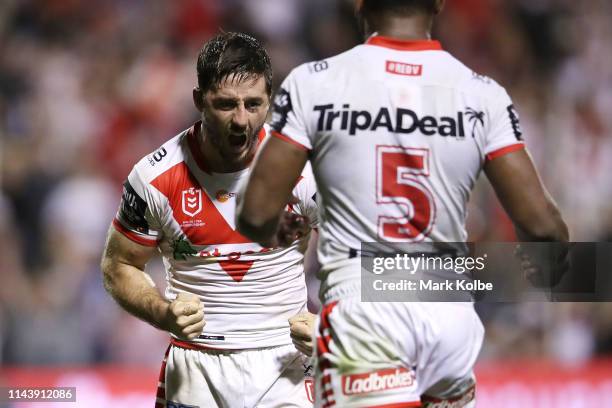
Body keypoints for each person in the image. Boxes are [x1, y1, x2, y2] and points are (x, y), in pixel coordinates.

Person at [236, 1, 569, 407]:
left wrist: (278, 229)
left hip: (364, 310)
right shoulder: (481, 93)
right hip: (448, 313)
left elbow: (254, 213)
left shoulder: (316, 83)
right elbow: (543, 227)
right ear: (440, 2)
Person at [101, 32, 318, 408]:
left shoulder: (305, 169)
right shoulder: (154, 177)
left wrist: (335, 324)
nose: (240, 121)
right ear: (199, 100)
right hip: (195, 369)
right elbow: (119, 265)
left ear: (271, 102)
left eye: (254, 104)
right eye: (225, 104)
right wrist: (163, 312)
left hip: (284, 364)